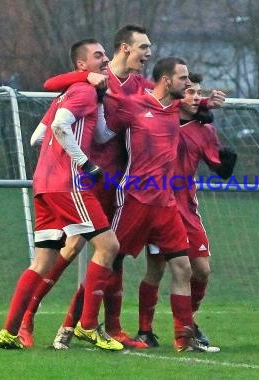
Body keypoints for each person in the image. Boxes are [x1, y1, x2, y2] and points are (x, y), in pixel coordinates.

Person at [17, 24, 153, 350]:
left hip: (116, 182)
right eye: (144, 47)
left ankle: (97, 327)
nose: (148, 54)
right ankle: (28, 318)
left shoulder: (140, 87)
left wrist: (199, 104)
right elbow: (50, 91)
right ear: (125, 48)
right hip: (84, 180)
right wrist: (82, 78)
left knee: (110, 253)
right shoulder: (87, 84)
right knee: (72, 249)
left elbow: (165, 97)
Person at [0, 39, 123, 351]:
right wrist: (83, 162)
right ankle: (89, 326)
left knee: (42, 261)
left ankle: (9, 331)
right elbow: (59, 126)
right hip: (69, 184)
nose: (105, 59)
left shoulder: (72, 94)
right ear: (81, 65)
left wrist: (119, 113)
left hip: (44, 185)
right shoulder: (81, 91)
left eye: (105, 54)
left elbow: (37, 136)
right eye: (98, 55)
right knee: (108, 246)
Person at [87, 57, 220, 353]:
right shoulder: (134, 104)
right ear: (165, 80)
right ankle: (81, 324)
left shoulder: (174, 108)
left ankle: (184, 340)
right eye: (183, 79)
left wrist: (209, 104)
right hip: (134, 198)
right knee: (109, 260)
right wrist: (94, 91)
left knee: (184, 268)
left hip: (166, 203)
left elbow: (193, 107)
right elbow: (104, 131)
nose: (188, 85)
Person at [135, 73, 237, 349]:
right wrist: (204, 101)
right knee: (156, 269)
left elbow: (217, 165)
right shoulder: (159, 119)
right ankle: (145, 329)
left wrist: (226, 166)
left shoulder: (204, 130)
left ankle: (187, 324)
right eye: (189, 91)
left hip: (187, 209)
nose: (194, 97)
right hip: (159, 206)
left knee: (201, 270)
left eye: (198, 92)